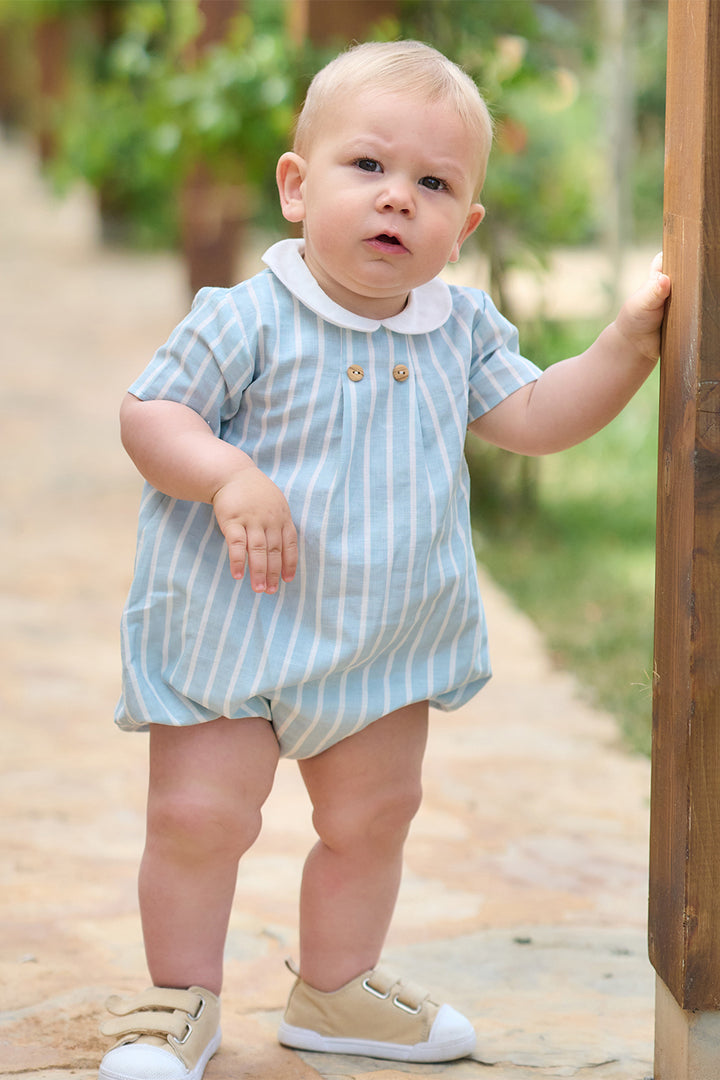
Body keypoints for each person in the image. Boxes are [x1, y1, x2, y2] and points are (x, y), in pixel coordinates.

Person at [98, 39, 670, 1080]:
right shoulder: (247, 317)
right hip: (235, 628)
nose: (398, 199)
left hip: (380, 642)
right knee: (197, 818)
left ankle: (337, 986)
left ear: (468, 225)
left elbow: (536, 416)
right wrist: (227, 473)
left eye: (434, 183)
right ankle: (177, 996)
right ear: (296, 184)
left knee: (372, 818)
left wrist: (628, 346)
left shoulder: (458, 331)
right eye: (368, 167)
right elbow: (151, 415)